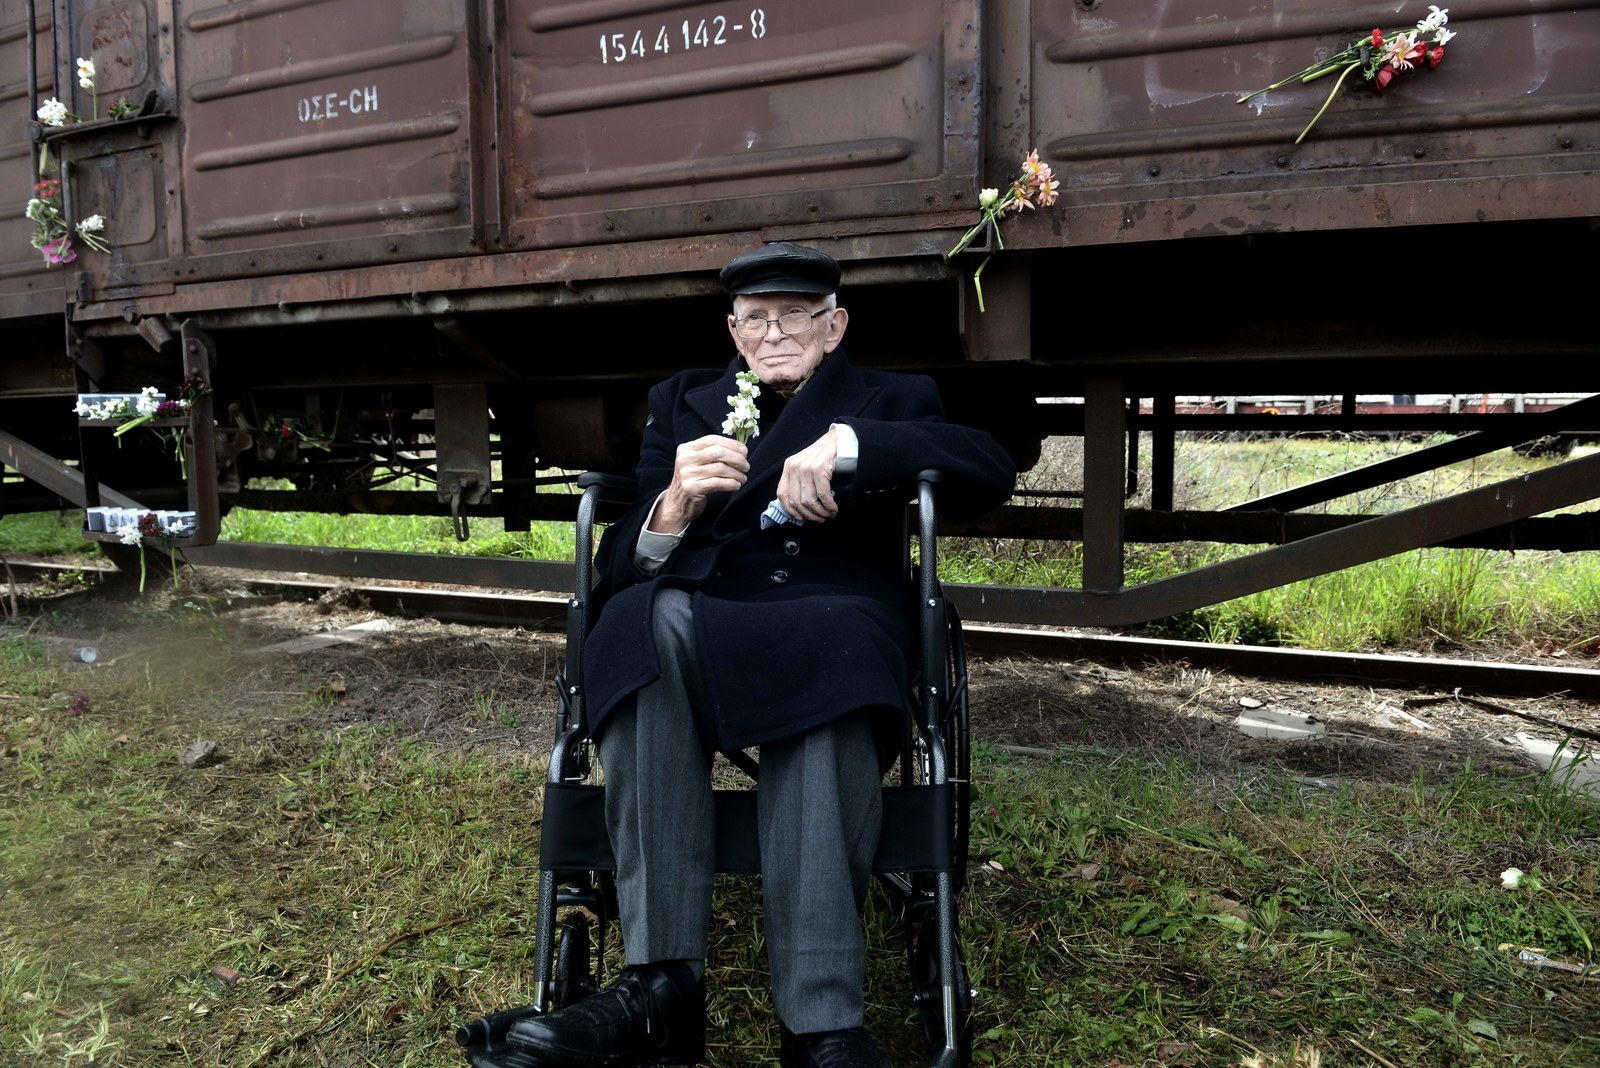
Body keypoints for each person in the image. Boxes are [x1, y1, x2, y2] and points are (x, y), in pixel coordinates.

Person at [508, 242, 1015, 1067]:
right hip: (706, 611)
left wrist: (852, 446)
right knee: (641, 618)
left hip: (831, 618)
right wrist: (671, 505)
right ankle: (660, 986)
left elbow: (991, 468)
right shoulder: (683, 401)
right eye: (755, 320)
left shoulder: (892, 398)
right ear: (734, 331)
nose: (772, 334)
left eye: (793, 317)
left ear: (835, 324)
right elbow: (615, 568)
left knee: (828, 647)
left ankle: (820, 1024)